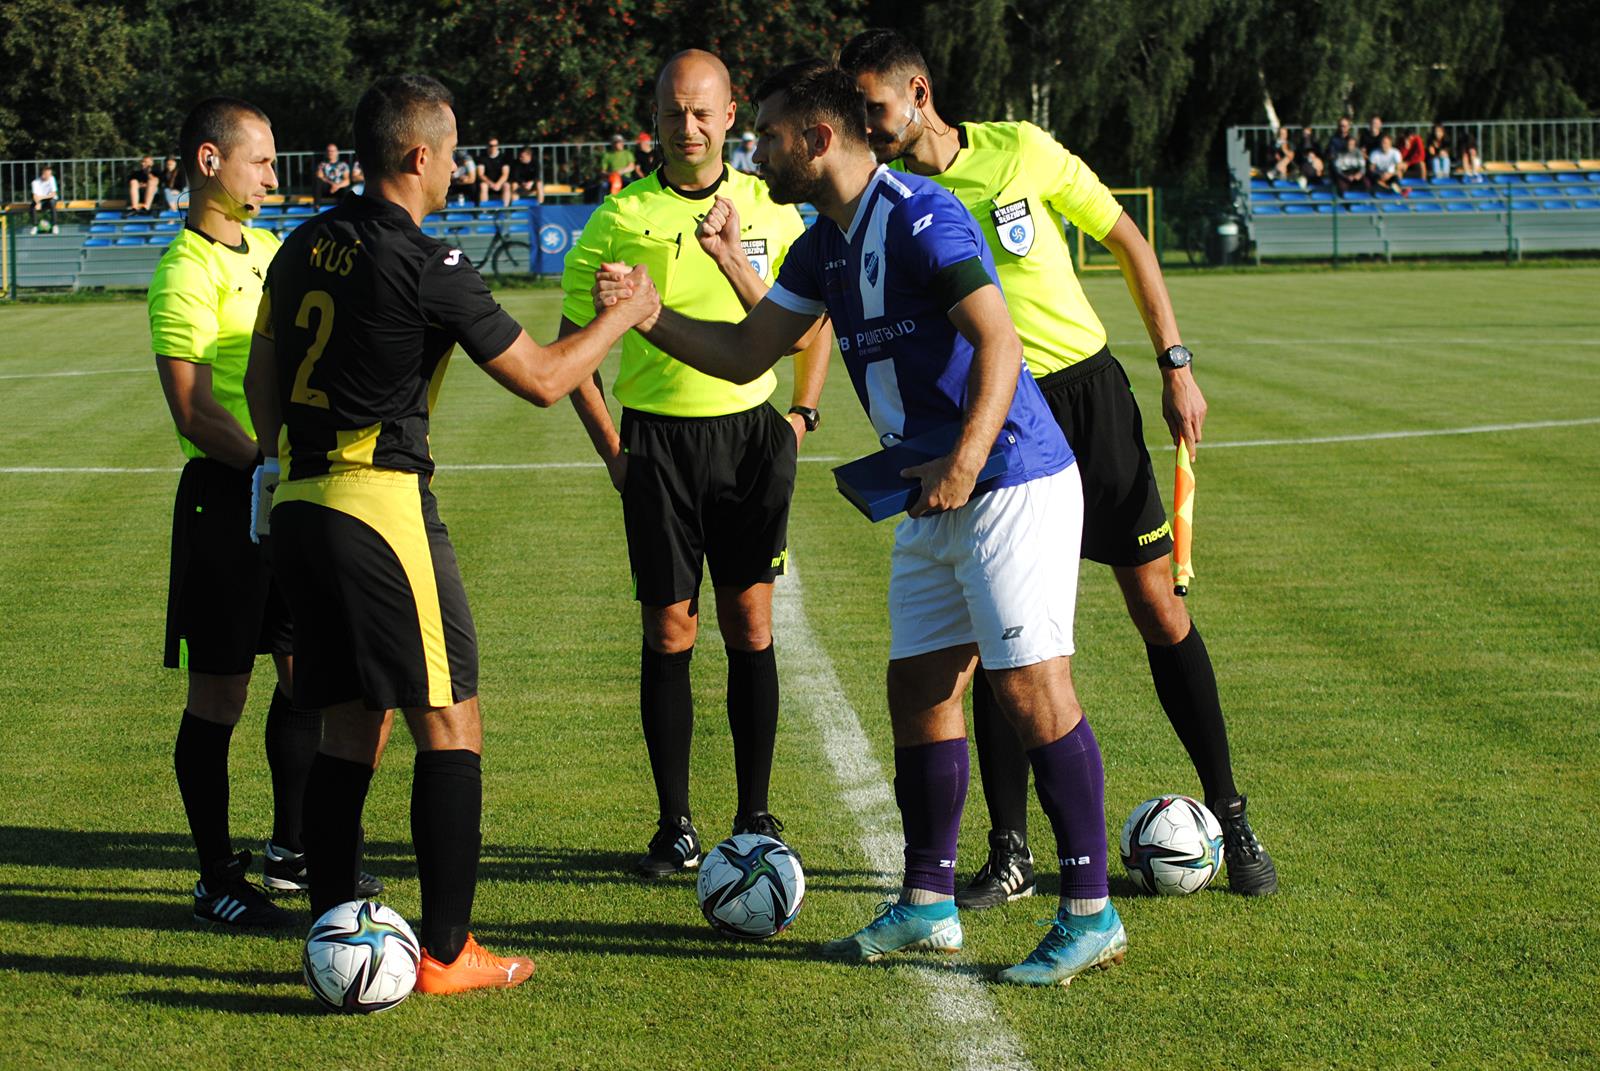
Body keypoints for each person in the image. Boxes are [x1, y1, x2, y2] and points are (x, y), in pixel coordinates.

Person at [596, 58, 1125, 987]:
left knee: (1033, 692)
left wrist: (966, 461)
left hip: (1008, 480)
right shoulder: (822, 243)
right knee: (919, 691)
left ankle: (1091, 911)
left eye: (766, 135)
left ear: (819, 139)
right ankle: (928, 902)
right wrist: (648, 316)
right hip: (931, 492)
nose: (754, 152)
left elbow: (1000, 341)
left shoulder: (923, 215)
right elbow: (747, 351)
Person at [242, 73, 659, 993]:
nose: (461, 168)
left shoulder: (300, 245)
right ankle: (446, 949)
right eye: (455, 151)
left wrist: (279, 455)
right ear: (420, 155)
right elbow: (547, 377)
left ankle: (337, 925)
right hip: (378, 507)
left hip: (299, 503)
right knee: (450, 717)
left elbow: (261, 375)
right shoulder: (428, 261)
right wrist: (627, 315)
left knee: (354, 719)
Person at [842, 29, 1277, 903]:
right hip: (995, 426)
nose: (866, 126)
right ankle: (1009, 851)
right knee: (1001, 637)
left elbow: (1129, 243)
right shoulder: (883, 201)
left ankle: (1230, 815)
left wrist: (1176, 363)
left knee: (1158, 607)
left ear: (917, 93)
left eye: (874, 109)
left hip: (1087, 397)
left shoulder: (1021, 150)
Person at [560, 50, 833, 879]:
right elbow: (575, 354)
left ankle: (754, 811)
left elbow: (811, 326)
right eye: (675, 112)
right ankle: (674, 822)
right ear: (657, 115)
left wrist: (799, 418)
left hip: (752, 438)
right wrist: (615, 452)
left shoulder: (769, 206)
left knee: (750, 623)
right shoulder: (616, 219)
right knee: (668, 628)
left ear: (730, 115)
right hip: (659, 446)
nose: (689, 128)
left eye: (704, 112)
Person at [148, 97, 378, 930]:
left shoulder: (275, 250)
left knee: (305, 674)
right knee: (221, 695)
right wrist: (269, 464)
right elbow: (193, 411)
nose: (276, 176)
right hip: (224, 502)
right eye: (262, 162)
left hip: (285, 498)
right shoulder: (185, 269)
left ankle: (292, 849)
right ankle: (215, 877)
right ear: (210, 162)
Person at [477, 137, 513, 206]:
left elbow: (505, 174)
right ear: (487, 146)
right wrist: (491, 184)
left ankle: (504, 209)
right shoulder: (482, 158)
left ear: (498, 146)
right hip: (488, 182)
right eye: (491, 146)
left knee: (507, 185)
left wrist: (498, 184)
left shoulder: (504, 157)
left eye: (495, 145)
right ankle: (484, 211)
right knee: (483, 186)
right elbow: (481, 174)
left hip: (500, 182)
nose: (493, 147)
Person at [30, 165, 57, 231]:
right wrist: (38, 203)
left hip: (49, 199)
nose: (49, 175)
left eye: (50, 174)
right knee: (33, 206)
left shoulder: (52, 179)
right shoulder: (35, 182)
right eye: (48, 174)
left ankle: (54, 225)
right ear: (43, 174)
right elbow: (35, 196)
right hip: (40, 200)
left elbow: (53, 194)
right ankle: (35, 226)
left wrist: (41, 197)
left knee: (52, 202)